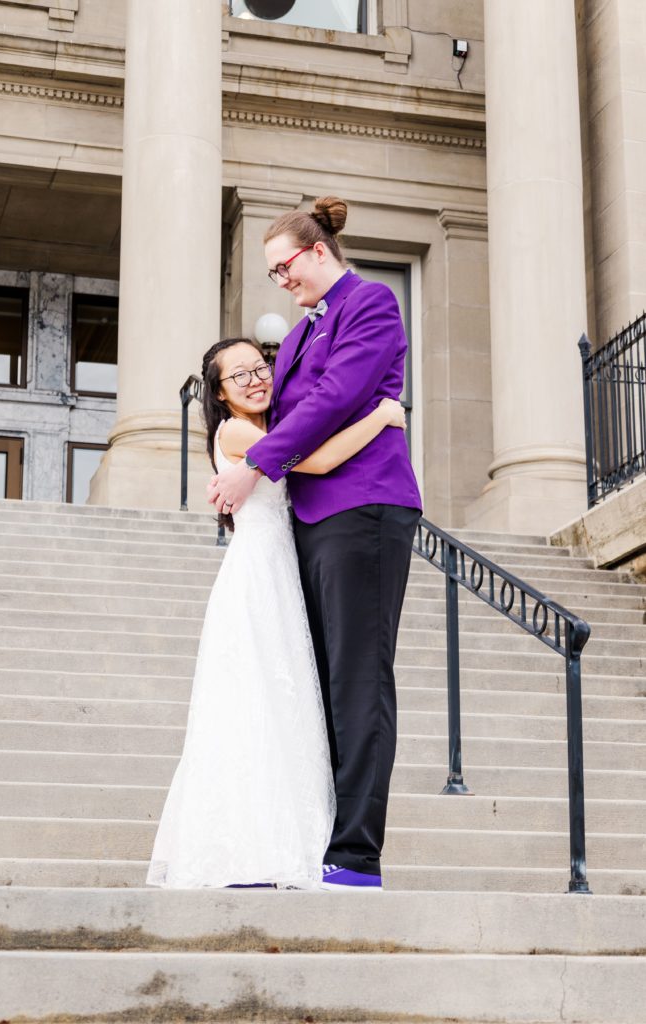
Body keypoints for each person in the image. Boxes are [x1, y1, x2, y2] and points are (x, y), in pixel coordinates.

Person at [207, 196, 423, 890]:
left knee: (358, 678)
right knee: (318, 685)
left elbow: (334, 398)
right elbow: (289, 413)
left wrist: (256, 465)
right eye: (272, 275)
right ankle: (308, 836)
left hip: (365, 510)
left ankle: (355, 855)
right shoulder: (298, 334)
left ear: (317, 251)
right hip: (307, 519)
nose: (280, 282)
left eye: (282, 268)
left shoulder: (373, 303)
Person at [147, 336, 408, 890]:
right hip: (257, 575)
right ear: (218, 394)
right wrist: (383, 416)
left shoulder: (262, 429)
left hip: (282, 571)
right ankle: (246, 851)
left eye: (259, 367)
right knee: (256, 701)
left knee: (281, 704)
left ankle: (279, 841)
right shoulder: (239, 432)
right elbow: (316, 459)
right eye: (237, 376)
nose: (255, 379)